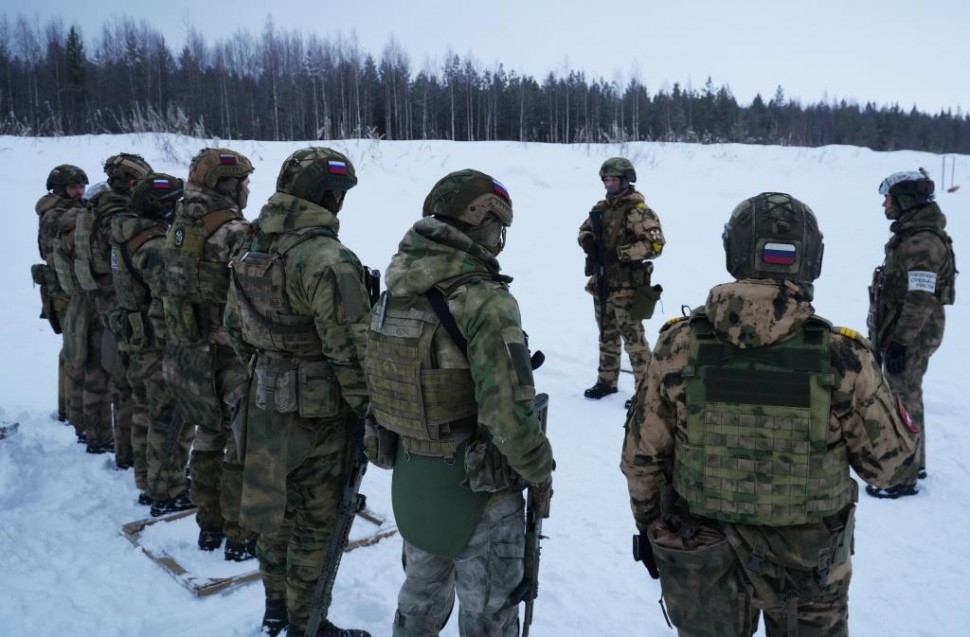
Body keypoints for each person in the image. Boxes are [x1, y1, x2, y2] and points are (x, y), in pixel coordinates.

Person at [620, 192, 920, 637]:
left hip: (703, 555)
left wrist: (652, 529)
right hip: (810, 568)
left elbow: (641, 459)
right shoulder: (843, 356)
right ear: (811, 259)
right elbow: (891, 468)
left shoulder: (677, 346)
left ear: (735, 252)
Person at [363, 169, 554, 637]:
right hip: (478, 492)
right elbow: (507, 413)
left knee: (419, 598)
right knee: (489, 613)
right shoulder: (484, 300)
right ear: (480, 220)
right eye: (498, 228)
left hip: (414, 481)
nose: (499, 239)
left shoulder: (395, 291)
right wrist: (540, 469)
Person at [224, 147, 372, 637]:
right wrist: (371, 416)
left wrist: (270, 367)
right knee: (316, 524)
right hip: (320, 414)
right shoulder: (328, 259)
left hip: (264, 401)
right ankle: (307, 624)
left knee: (274, 515)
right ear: (327, 197)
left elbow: (234, 327)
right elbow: (349, 353)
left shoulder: (249, 242)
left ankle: (275, 611)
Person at [159, 148, 258, 557]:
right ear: (226, 183)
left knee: (207, 436)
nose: (248, 188)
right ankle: (239, 534)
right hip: (229, 352)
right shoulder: (234, 230)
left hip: (190, 348)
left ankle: (208, 525)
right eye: (243, 181)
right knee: (241, 444)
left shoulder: (181, 222)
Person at [866, 169, 956, 495]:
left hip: (912, 333)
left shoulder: (922, 243)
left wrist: (901, 343)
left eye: (888, 199)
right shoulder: (912, 236)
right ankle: (913, 461)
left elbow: (920, 297)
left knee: (903, 396)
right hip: (905, 330)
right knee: (903, 395)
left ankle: (903, 475)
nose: (884, 205)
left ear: (905, 200)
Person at [110, 173, 194, 508]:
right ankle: (166, 489)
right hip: (157, 343)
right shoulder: (155, 245)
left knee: (146, 410)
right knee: (170, 416)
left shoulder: (128, 236)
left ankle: (148, 479)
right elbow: (167, 299)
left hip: (136, 337)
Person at [74, 153, 152, 460]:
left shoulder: (99, 203)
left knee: (111, 369)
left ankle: (116, 444)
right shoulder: (114, 209)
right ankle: (127, 451)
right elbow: (127, 242)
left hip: (105, 295)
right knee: (126, 376)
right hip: (115, 298)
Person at [578, 157, 665, 408]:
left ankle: (645, 390)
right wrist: (587, 241)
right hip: (603, 282)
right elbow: (584, 230)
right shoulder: (600, 209)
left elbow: (655, 245)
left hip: (627, 286)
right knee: (606, 334)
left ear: (626, 180)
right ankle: (606, 381)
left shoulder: (639, 211)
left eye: (614, 179)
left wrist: (621, 254)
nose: (610, 184)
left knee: (634, 340)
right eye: (607, 179)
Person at [33, 164, 88, 428]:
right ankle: (67, 409)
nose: (79, 192)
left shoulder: (68, 209)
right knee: (72, 350)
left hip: (69, 288)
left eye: (81, 187)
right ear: (59, 189)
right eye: (73, 187)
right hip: (63, 290)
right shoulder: (55, 214)